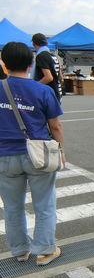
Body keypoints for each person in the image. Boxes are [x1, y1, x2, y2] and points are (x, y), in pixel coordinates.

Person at [0, 42, 64, 266]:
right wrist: (61, 150)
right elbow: (55, 126)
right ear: (31, 63)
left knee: (12, 207)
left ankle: (20, 250)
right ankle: (45, 251)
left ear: (5, 64)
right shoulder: (43, 90)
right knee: (44, 204)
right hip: (38, 155)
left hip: (4, 156)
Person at [31, 33, 63, 101]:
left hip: (48, 95)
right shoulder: (53, 56)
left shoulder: (41, 56)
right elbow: (60, 77)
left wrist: (34, 87)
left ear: (33, 43)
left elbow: (48, 78)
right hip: (57, 92)